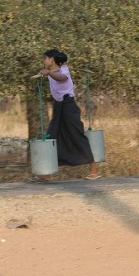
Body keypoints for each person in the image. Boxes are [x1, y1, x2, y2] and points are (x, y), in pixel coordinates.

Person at [38, 49, 100, 180]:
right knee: (51, 136)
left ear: (52, 60)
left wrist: (48, 72)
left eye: (45, 58)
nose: (44, 61)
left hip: (69, 106)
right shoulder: (50, 73)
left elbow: (62, 78)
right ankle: (47, 172)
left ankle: (94, 169)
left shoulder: (64, 70)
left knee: (77, 135)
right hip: (58, 107)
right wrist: (46, 73)